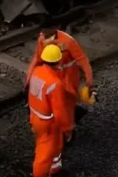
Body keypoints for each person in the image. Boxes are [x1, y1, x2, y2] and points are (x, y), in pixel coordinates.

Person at [25, 17, 94, 133]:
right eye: (43, 32)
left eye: (46, 32)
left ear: (54, 29)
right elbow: (37, 58)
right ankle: (62, 124)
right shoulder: (42, 39)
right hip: (52, 75)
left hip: (69, 76)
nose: (43, 35)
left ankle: (69, 129)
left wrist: (89, 79)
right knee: (55, 102)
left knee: (68, 101)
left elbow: (82, 59)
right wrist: (28, 78)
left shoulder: (68, 41)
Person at [27, 44, 74, 177]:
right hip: (48, 123)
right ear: (58, 61)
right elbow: (59, 111)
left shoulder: (37, 72)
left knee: (55, 145)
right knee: (44, 154)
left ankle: (54, 169)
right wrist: (68, 128)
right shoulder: (55, 84)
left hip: (35, 116)